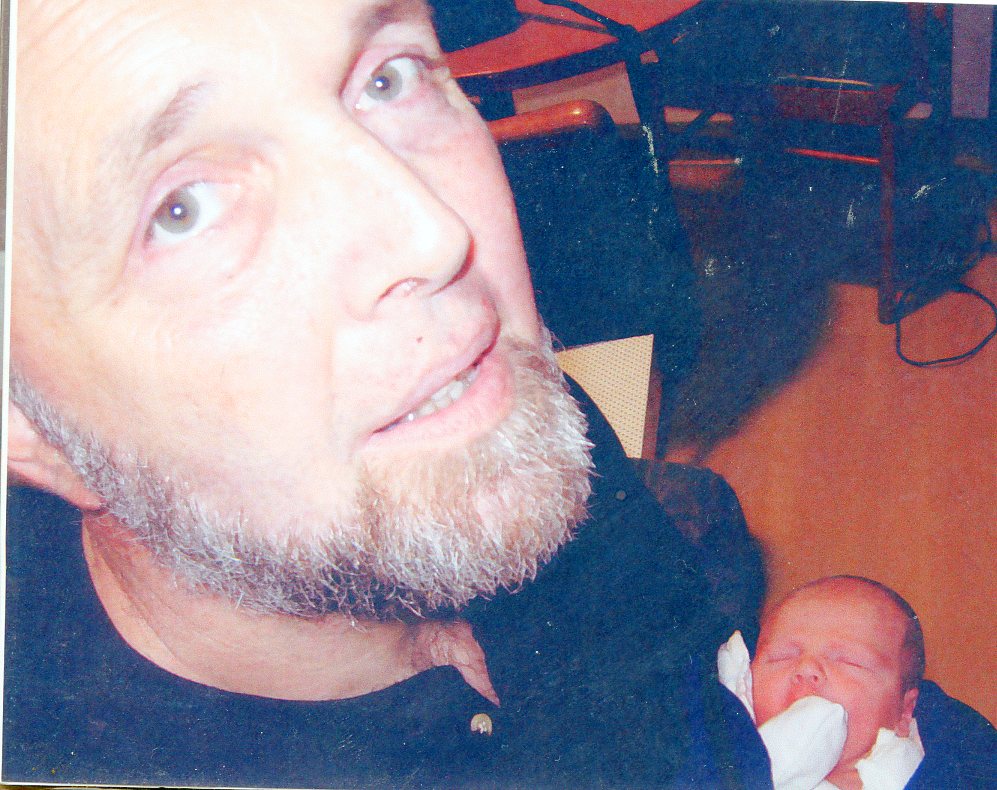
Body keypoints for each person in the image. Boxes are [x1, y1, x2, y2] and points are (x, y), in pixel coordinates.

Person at [4, 2, 770, 787]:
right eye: (184, 209)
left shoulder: (460, 394)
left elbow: (672, 680)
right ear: (30, 426)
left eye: (387, 78)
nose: (433, 235)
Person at [719, 576, 996, 789]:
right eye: (782, 656)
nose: (806, 668)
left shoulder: (954, 764)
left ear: (905, 711)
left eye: (849, 661)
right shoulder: (721, 759)